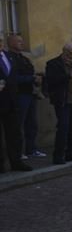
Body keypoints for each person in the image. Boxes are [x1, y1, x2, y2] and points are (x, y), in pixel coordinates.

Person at [45, 42, 72, 165]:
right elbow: (52, 80)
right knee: (63, 128)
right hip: (63, 100)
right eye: (70, 54)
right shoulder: (53, 63)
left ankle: (70, 153)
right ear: (64, 51)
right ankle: (58, 155)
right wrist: (69, 75)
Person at [6, 34, 42, 160]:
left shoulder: (24, 58)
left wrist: (36, 79)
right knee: (18, 125)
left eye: (22, 41)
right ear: (10, 43)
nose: (22, 43)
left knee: (32, 124)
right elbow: (12, 78)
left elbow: (30, 73)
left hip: (30, 94)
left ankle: (31, 149)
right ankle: (18, 152)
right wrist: (30, 78)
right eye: (19, 41)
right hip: (19, 95)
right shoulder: (8, 58)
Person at [0, 38, 30, 171]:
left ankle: (16, 162)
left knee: (14, 133)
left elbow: (14, 75)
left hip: (12, 101)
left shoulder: (8, 56)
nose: (0, 43)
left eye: (1, 40)